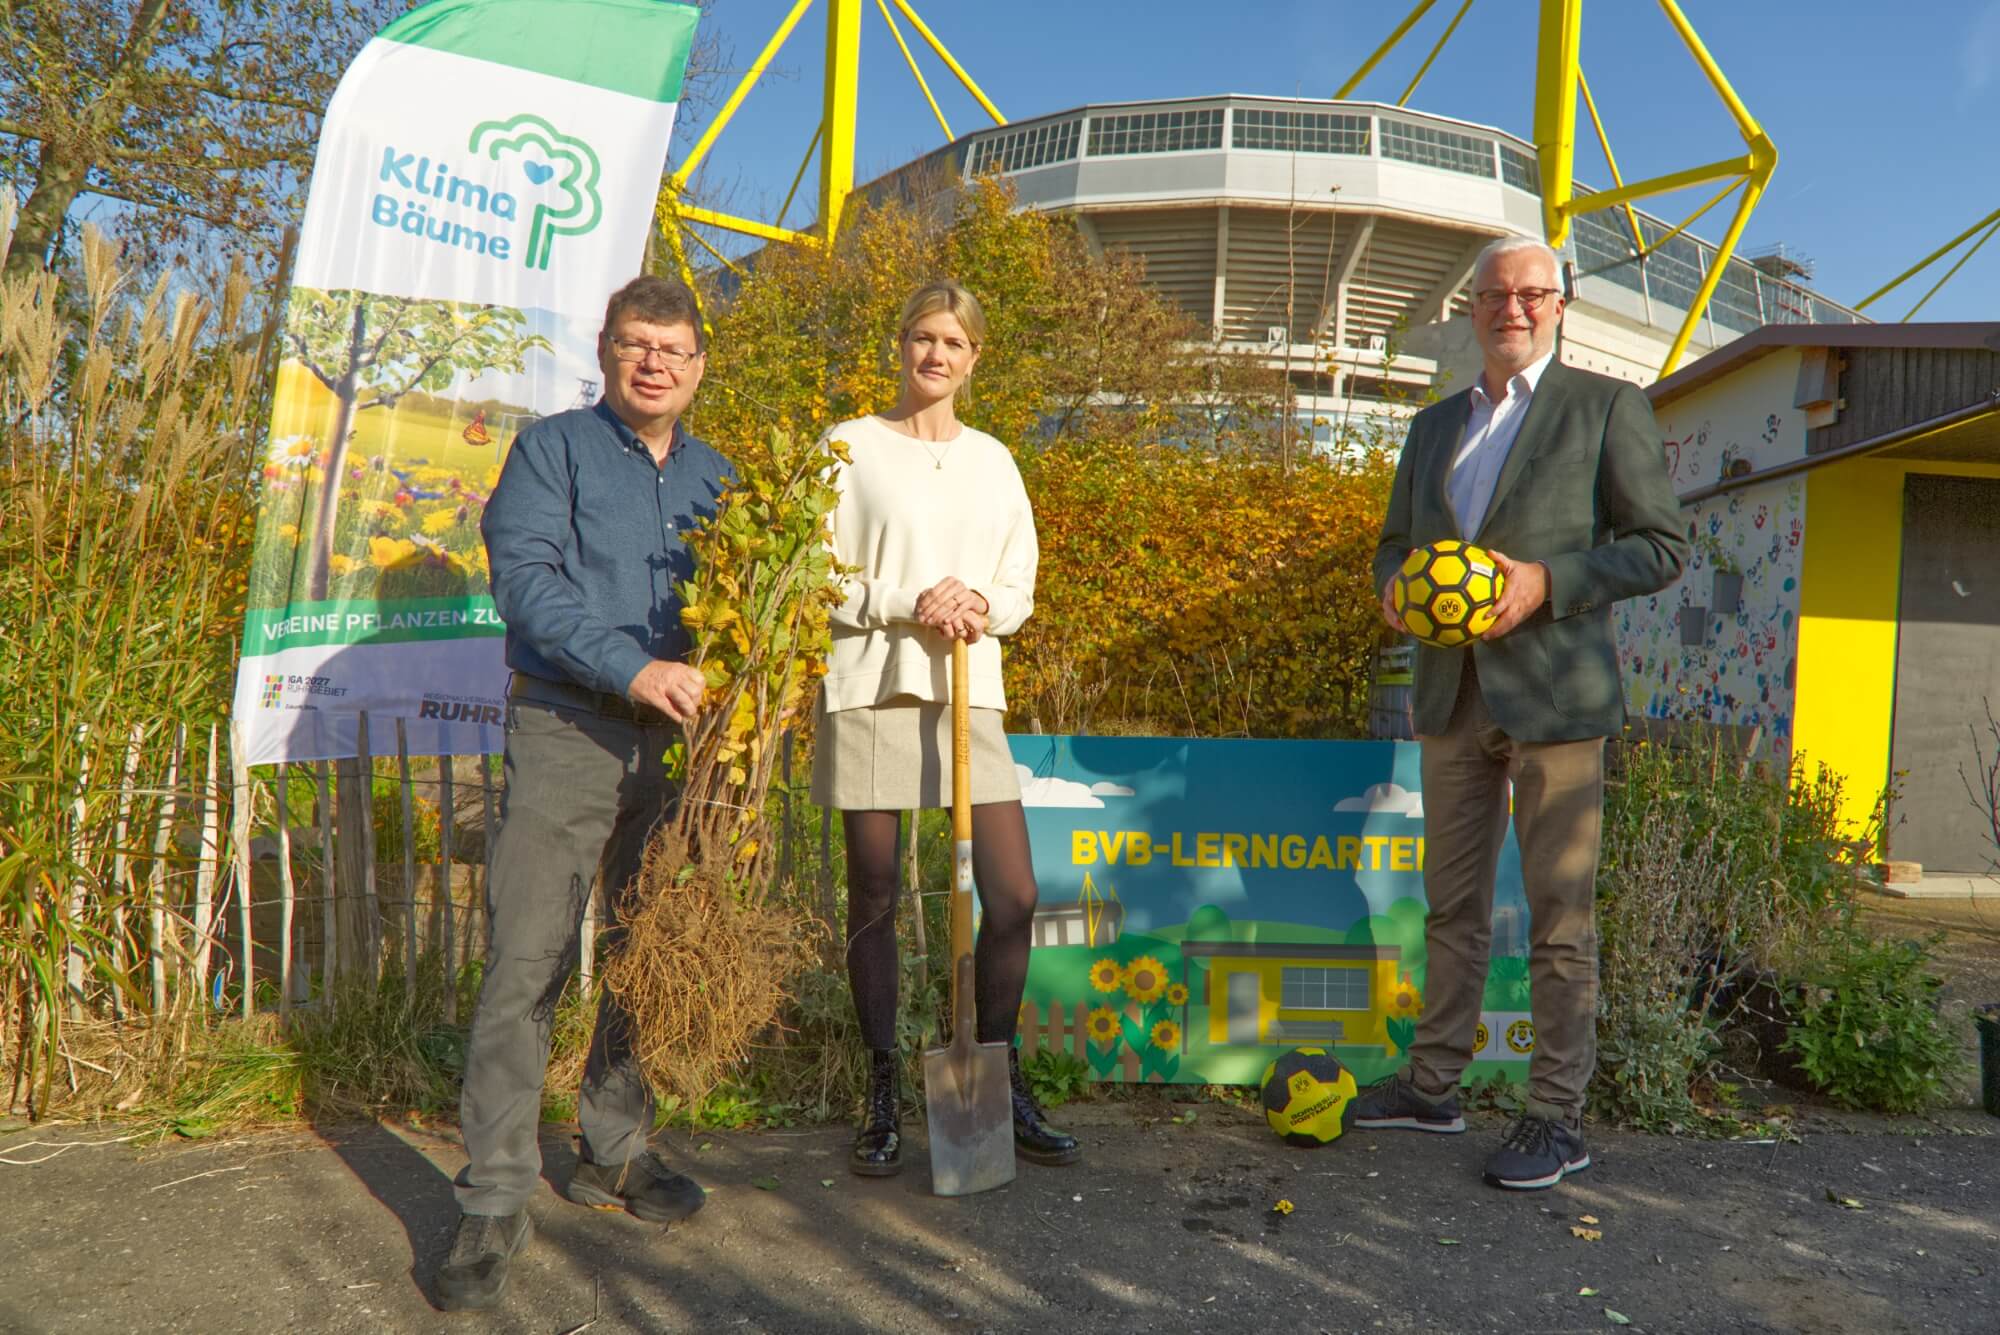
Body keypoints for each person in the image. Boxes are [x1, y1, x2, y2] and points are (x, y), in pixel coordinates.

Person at [1355, 236, 1687, 1190]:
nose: (1514, 307)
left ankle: (1556, 1115)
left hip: (1556, 695)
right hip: (1452, 693)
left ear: (1561, 304)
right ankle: (1433, 1085)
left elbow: (1663, 546)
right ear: (1471, 309)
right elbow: (1392, 544)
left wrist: (1549, 580)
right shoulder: (1430, 429)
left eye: (1533, 293)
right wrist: (1394, 588)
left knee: (1558, 916)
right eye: (1496, 293)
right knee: (1452, 905)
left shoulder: (1606, 407)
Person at [439, 276, 732, 1310]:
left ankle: (611, 1150)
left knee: (649, 955)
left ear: (699, 368)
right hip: (568, 724)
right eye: (635, 345)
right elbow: (524, 580)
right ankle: (493, 1194)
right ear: (607, 354)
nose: (654, 363)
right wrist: (630, 666)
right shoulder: (551, 452)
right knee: (530, 954)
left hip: (679, 751)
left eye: (674, 350)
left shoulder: (722, 478)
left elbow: (742, 610)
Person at [814, 279, 1080, 1177]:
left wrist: (978, 601)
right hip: (872, 684)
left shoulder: (995, 460)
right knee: (877, 892)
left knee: (1013, 897)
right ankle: (883, 1084)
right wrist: (907, 598)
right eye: (923, 337)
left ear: (975, 359)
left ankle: (992, 1079)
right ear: (901, 345)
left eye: (954, 343)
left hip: (969, 689)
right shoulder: (847, 446)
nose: (936, 354)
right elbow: (816, 574)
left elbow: (1019, 582)